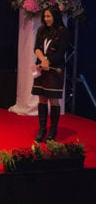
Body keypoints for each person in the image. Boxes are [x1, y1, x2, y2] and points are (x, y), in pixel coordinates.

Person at [32, 8, 68, 141]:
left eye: (49, 16)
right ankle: (42, 129)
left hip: (55, 69)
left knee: (53, 99)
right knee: (41, 98)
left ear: (55, 16)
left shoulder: (63, 32)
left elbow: (60, 52)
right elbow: (36, 48)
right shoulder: (41, 30)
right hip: (41, 68)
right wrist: (43, 60)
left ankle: (53, 130)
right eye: (45, 16)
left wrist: (48, 62)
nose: (46, 19)